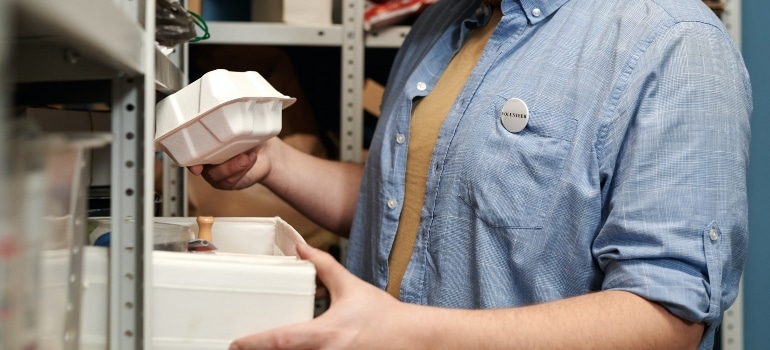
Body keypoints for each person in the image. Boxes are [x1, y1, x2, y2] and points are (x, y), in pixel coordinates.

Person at [189, 0, 752, 348]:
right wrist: (273, 160)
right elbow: (410, 200)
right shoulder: (444, 22)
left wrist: (406, 335)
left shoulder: (676, 44)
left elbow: (663, 322)